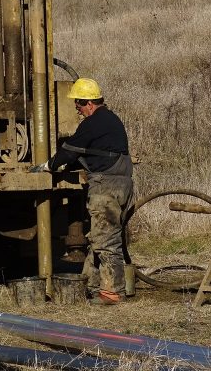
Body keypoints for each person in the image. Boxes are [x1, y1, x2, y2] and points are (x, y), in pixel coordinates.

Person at [31, 78, 134, 305]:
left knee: (106, 241)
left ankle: (113, 294)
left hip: (106, 187)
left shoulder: (93, 123)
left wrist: (48, 165)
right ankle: (90, 285)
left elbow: (69, 151)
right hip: (120, 184)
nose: (76, 109)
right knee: (97, 237)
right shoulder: (110, 119)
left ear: (88, 102)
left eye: (78, 104)